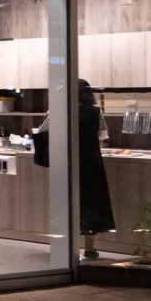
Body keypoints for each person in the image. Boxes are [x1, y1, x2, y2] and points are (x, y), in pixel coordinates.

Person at [35, 79, 115, 259]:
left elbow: (41, 131)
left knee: (66, 203)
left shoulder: (59, 112)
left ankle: (67, 246)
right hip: (91, 164)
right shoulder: (96, 112)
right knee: (91, 204)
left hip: (67, 163)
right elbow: (103, 136)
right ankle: (90, 248)